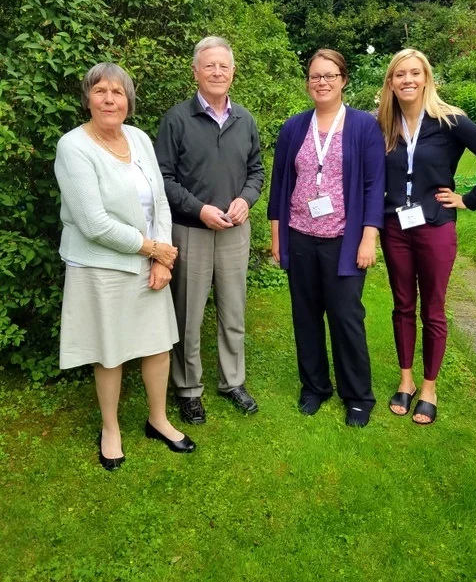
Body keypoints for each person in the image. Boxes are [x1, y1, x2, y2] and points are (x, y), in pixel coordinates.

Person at [55, 63, 196, 471]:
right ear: (88, 98)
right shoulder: (73, 147)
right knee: (110, 351)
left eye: (118, 93)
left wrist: (162, 257)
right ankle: (111, 428)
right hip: (101, 266)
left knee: (157, 344)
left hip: (151, 260)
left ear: (129, 102)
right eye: (100, 91)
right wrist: (152, 249)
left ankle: (158, 420)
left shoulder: (138, 139)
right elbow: (92, 222)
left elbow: (161, 201)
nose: (109, 100)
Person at [377, 48, 476, 425]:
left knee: (433, 308)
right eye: (399, 75)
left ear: (426, 78)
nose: (407, 80)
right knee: (403, 304)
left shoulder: (450, 120)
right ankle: (405, 381)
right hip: (395, 227)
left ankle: (428, 387)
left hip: (436, 226)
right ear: (390, 82)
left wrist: (469, 200)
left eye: (414, 73)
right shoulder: (385, 124)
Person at [268, 49, 386, 427]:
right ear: (308, 82)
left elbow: (373, 185)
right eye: (315, 76)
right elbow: (280, 185)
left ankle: (357, 396)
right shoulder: (294, 127)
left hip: (343, 240)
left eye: (329, 75)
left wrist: (369, 238)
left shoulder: (364, 126)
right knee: (305, 316)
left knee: (346, 317)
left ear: (343, 79)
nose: (322, 82)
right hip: (300, 235)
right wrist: (277, 237)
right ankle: (315, 387)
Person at [155, 36, 264, 424]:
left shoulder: (244, 119)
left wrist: (246, 199)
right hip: (191, 231)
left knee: (233, 310)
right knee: (188, 314)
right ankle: (188, 389)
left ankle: (232, 381)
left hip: (234, 230)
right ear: (196, 71)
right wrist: (198, 210)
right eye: (210, 66)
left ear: (233, 73)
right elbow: (162, 179)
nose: (217, 72)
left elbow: (256, 171)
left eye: (224, 66)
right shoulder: (176, 120)